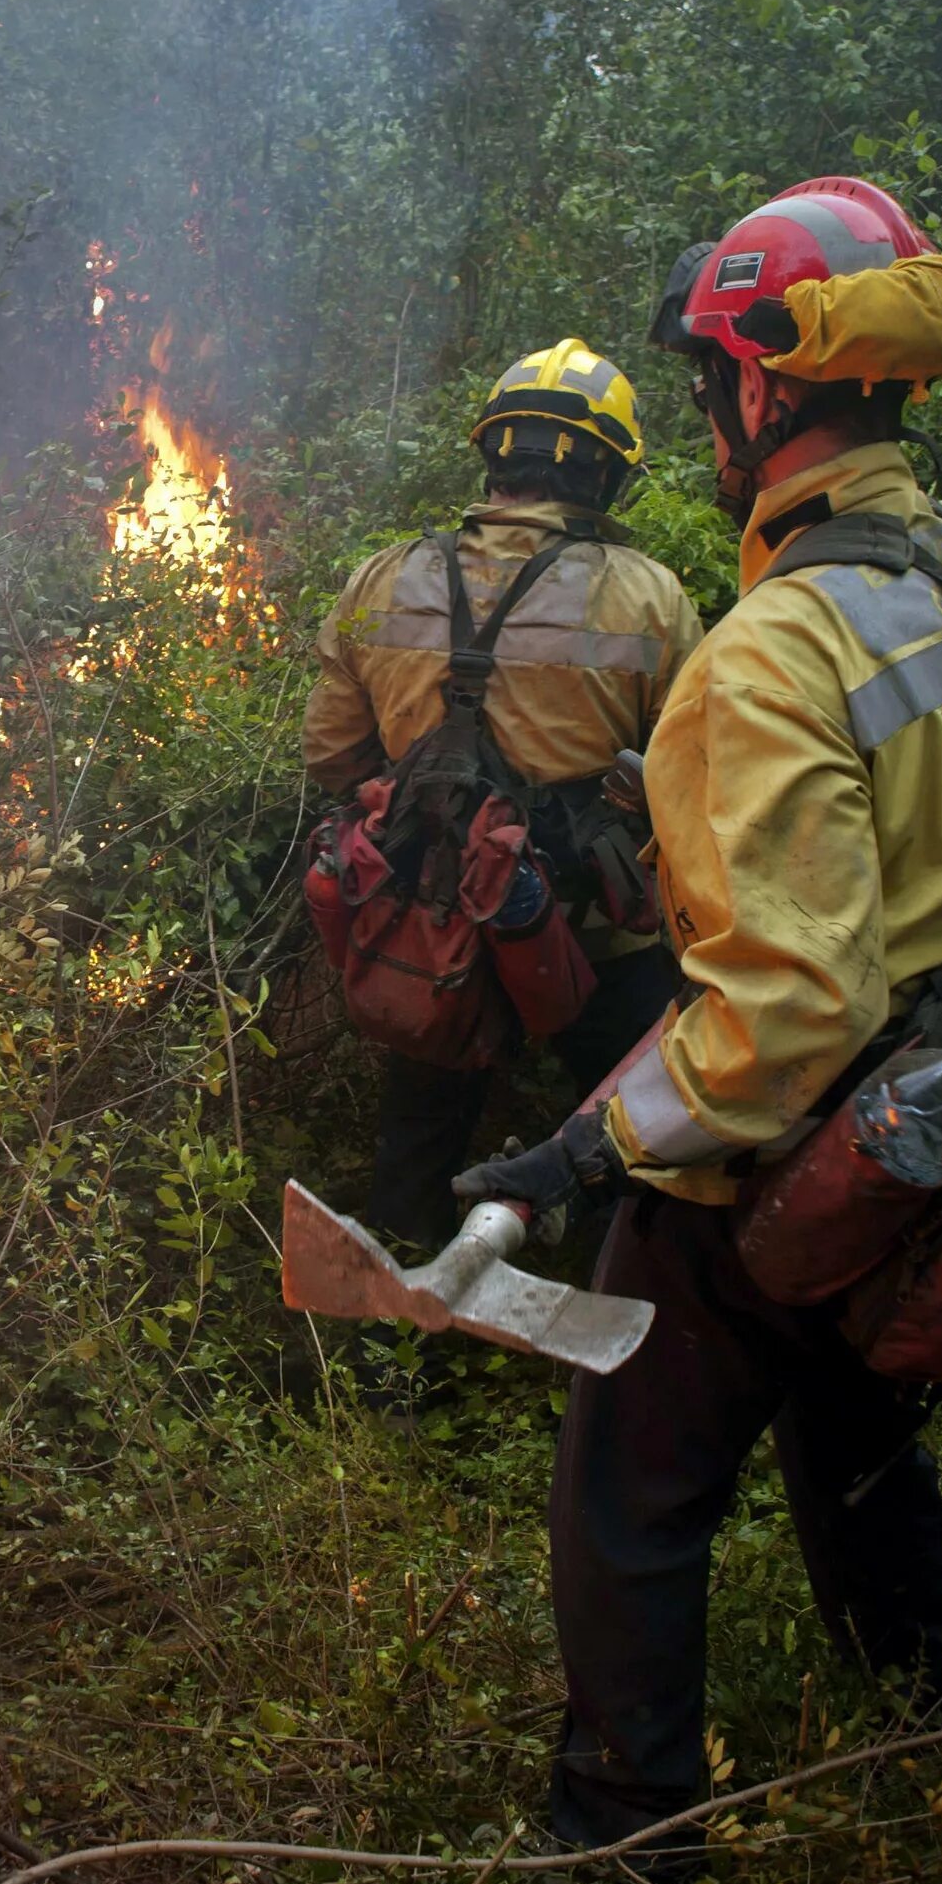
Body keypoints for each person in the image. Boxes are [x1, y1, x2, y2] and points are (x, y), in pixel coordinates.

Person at [451, 178, 942, 1860]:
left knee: (632, 1486)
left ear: (765, 388)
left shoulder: (765, 654)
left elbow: (788, 1012)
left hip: (815, 1142)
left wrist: (586, 1147)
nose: (715, 418)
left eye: (718, 382)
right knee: (857, 1423)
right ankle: (918, 1706)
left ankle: (622, 1834)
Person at [303, 339, 701, 1248]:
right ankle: (617, 1331)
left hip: (431, 927)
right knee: (634, 1126)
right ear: (606, 475)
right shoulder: (650, 597)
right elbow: (694, 780)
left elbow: (330, 755)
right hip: (594, 934)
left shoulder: (383, 574)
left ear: (493, 457)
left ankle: (392, 1352)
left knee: (418, 1129)